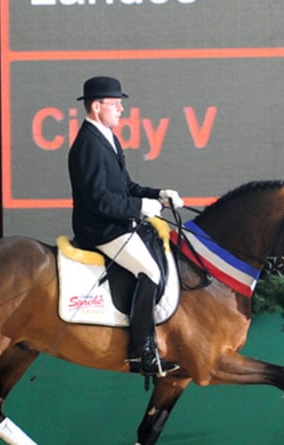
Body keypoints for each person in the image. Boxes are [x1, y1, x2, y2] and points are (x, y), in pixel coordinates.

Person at [68, 76, 185, 376]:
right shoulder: (87, 145)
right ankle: (141, 351)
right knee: (151, 272)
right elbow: (99, 201)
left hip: (118, 222)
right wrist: (141, 208)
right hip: (101, 228)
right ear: (96, 107)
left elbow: (126, 186)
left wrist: (157, 194)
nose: (121, 110)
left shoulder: (108, 137)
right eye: (115, 104)